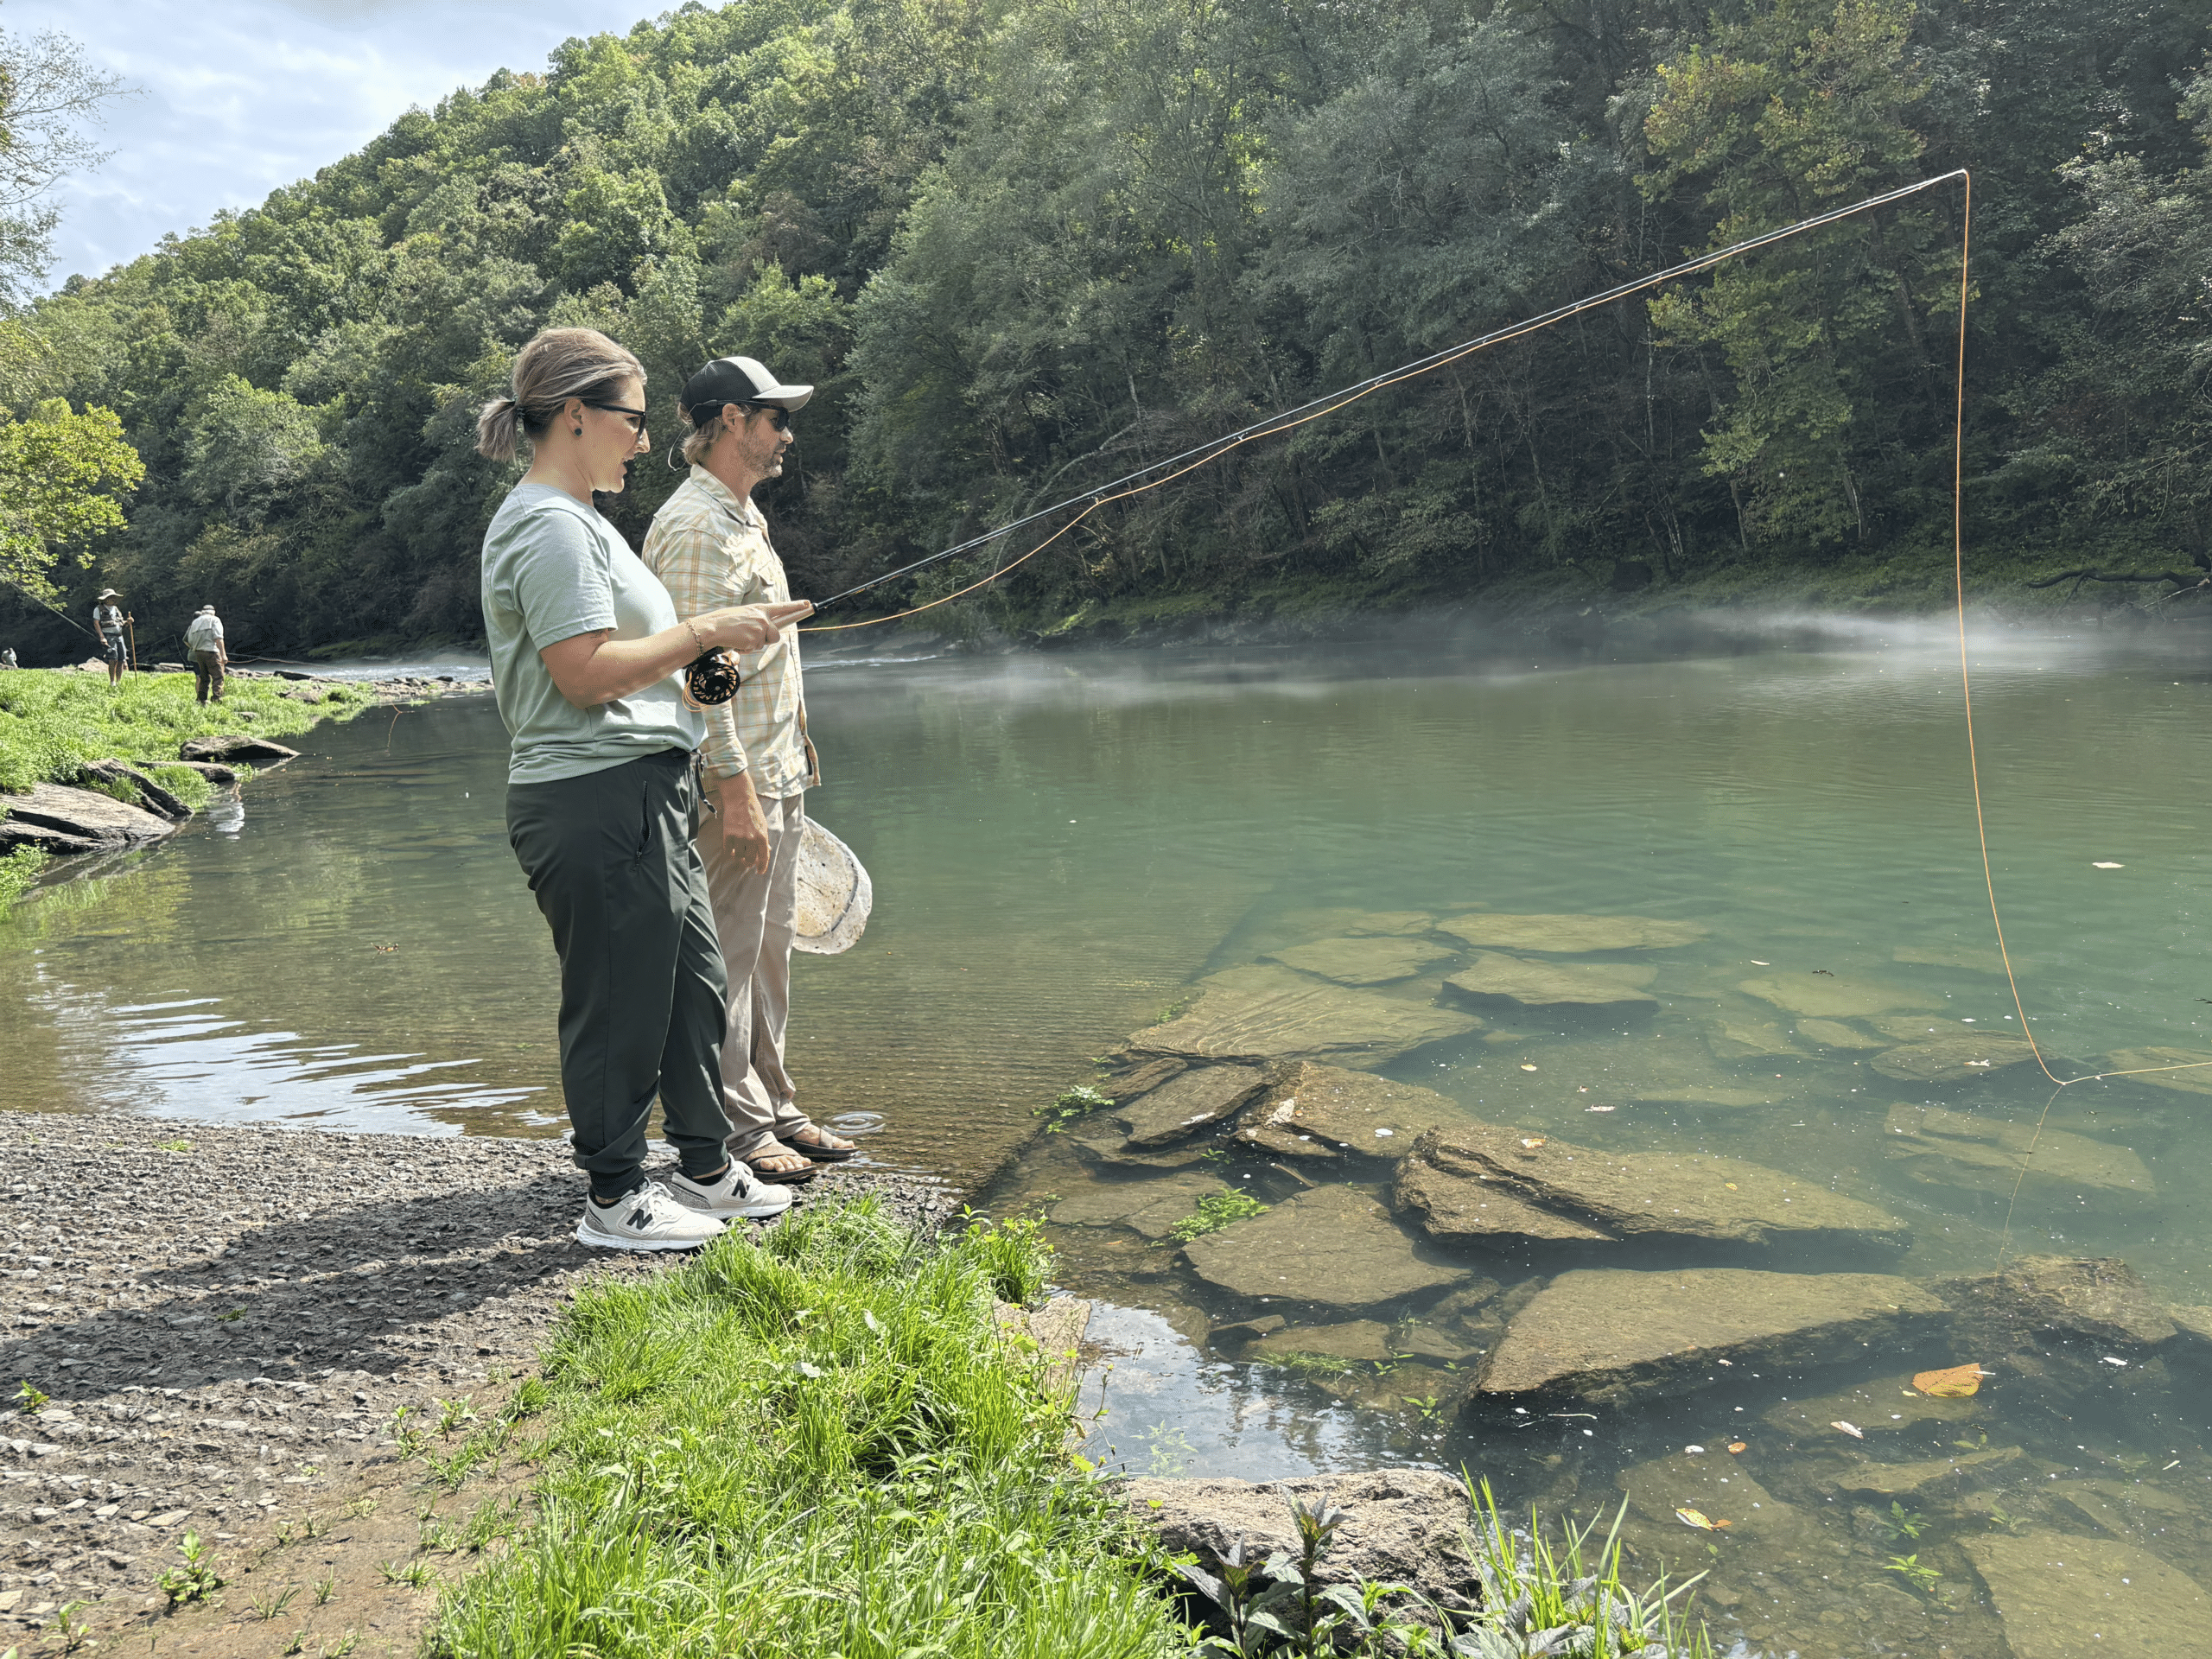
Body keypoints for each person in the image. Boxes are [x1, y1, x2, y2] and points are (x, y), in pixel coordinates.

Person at [475, 327, 814, 1251]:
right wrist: (708, 627)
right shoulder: (546, 525)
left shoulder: (589, 523)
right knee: (620, 1000)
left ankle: (705, 1170)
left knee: (694, 987)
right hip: (592, 794)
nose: (641, 438)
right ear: (576, 417)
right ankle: (615, 1200)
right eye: (629, 418)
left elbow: (659, 666)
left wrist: (725, 646)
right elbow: (584, 675)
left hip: (648, 786)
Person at [645, 357, 860, 1185]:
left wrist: (790, 754)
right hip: (738, 784)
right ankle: (735, 1129)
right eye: (775, 418)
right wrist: (733, 784)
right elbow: (701, 672)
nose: (786, 434)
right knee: (729, 956)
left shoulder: (742, 516)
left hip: (778, 772)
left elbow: (746, 653)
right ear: (732, 420)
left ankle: (776, 1104)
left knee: (771, 951)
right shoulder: (697, 528)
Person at [184, 605, 226, 703]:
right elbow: (218, 638)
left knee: (204, 678)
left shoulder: (195, 622)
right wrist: (223, 655)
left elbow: (190, 640)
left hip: (198, 653)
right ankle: (217, 699)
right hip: (212, 652)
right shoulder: (215, 620)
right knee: (218, 676)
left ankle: (202, 700)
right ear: (213, 612)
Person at [92, 588, 129, 686]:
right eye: (111, 598)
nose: (113, 599)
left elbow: (121, 623)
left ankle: (119, 682)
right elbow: (96, 623)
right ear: (105, 599)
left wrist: (128, 622)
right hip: (109, 636)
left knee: (121, 659)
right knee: (113, 658)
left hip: (120, 636)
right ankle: (112, 682)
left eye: (114, 597)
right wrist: (102, 637)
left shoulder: (116, 609)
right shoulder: (98, 609)